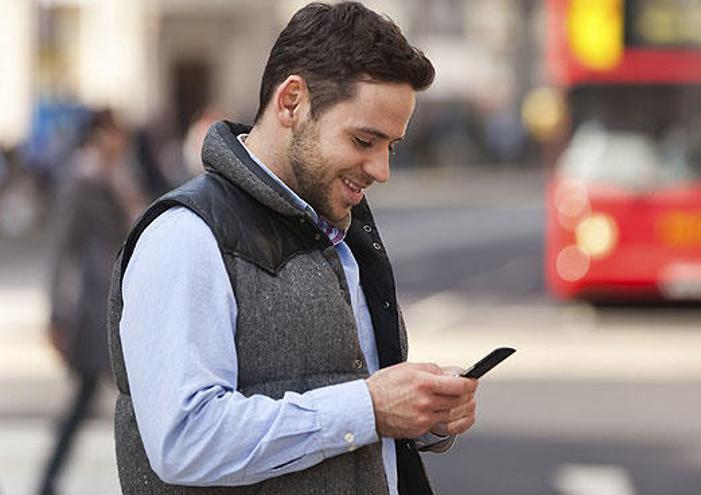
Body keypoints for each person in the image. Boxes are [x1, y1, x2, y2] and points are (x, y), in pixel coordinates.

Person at [107, 3, 478, 494]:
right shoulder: (186, 236)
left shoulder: (335, 229)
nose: (381, 169)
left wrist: (420, 411)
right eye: (364, 139)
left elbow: (347, 410)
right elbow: (184, 440)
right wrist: (370, 407)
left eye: (391, 146)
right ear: (292, 102)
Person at [41, 109, 145, 495]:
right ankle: (49, 479)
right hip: (92, 305)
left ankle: (49, 479)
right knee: (114, 396)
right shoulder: (82, 180)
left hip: (118, 298)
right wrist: (56, 314)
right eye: (115, 134)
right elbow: (59, 251)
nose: (121, 141)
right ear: (100, 135)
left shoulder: (115, 176)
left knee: (102, 398)